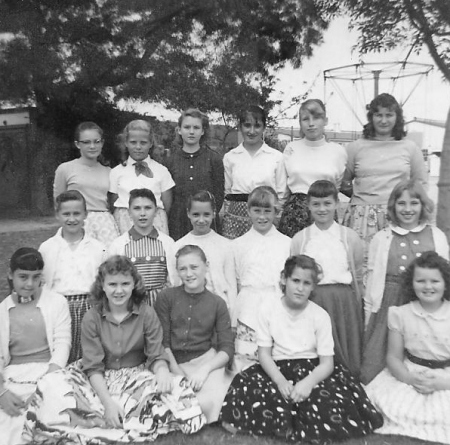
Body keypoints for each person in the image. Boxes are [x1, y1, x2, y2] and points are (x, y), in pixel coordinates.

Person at [28, 256, 206, 443]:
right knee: (50, 384)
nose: (119, 290)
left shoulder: (146, 312)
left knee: (175, 386)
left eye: (125, 284)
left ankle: (103, 418)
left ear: (134, 285)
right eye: (112, 284)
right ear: (102, 286)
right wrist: (108, 403)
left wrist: (162, 371)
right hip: (99, 376)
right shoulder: (92, 317)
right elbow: (93, 366)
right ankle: (109, 415)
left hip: (135, 375)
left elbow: (156, 353)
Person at [220, 255, 383, 442]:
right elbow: (264, 354)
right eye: (295, 281)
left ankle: (299, 420)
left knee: (325, 400)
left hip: (312, 369)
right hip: (277, 367)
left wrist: (308, 383)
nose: (300, 288)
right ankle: (276, 421)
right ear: (284, 279)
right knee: (254, 388)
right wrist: (280, 381)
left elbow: (327, 363)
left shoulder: (319, 315)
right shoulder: (268, 309)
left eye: (307, 283)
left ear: (313, 286)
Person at [361, 179, 449, 384]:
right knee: (378, 360)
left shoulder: (436, 235)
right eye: (401, 203)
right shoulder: (382, 238)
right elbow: (373, 279)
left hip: (425, 304)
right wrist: (369, 314)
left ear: (423, 206)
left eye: (414, 203)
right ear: (393, 206)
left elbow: (443, 277)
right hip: (388, 303)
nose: (407, 209)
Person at [365, 252, 450, 444]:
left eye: (435, 281)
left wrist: (442, 383)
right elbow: (394, 357)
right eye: (421, 281)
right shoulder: (401, 314)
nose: (428, 287)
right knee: (392, 405)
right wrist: (409, 378)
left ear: (445, 283)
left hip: (446, 375)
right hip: (411, 370)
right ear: (411, 283)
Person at [290, 180, 363, 375]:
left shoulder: (349, 237)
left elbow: (358, 274)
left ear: (337, 203)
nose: (322, 209)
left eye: (327, 203)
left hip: (343, 304)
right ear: (308, 206)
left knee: (345, 356)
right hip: (313, 301)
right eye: (316, 204)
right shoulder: (301, 239)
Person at [155, 245, 234, 423]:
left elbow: (227, 348)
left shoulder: (217, 303)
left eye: (194, 267)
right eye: (183, 269)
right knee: (169, 397)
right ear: (177, 271)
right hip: (171, 361)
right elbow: (162, 342)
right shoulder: (166, 297)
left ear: (206, 266)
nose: (189, 273)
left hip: (204, 362)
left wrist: (204, 371)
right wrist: (176, 373)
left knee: (209, 400)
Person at [0, 248, 71, 445]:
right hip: (13, 377)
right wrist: (2, 393)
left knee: (54, 418)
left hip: (50, 374)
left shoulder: (57, 302)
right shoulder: (2, 311)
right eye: (23, 277)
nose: (30, 284)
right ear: (10, 275)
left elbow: (62, 345)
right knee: (9, 421)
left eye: (36, 277)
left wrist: (44, 388)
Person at [341, 93, 428, 253]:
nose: (383, 120)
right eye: (378, 115)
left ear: (397, 118)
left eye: (389, 115)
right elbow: (343, 181)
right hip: (362, 218)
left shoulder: (410, 148)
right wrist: (365, 199)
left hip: (399, 215)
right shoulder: (355, 147)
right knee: (362, 267)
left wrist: (403, 204)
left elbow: (420, 184)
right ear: (371, 117)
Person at [39, 190, 105, 363]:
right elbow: (43, 284)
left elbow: (103, 282)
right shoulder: (47, 248)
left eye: (77, 213)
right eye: (66, 214)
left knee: (89, 356)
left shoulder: (98, 248)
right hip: (59, 307)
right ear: (57, 215)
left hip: (89, 307)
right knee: (61, 354)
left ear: (85, 215)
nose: (72, 219)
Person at [232, 186, 290, 371]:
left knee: (276, 359)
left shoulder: (287, 243)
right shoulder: (237, 245)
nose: (262, 217)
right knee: (246, 359)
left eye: (267, 211)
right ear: (248, 211)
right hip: (248, 307)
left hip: (277, 305)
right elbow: (236, 281)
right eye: (257, 211)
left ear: (276, 212)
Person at [279, 99, 347, 238]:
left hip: (325, 212)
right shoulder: (291, 148)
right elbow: (283, 190)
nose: (311, 124)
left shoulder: (338, 151)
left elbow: (337, 185)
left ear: (325, 120)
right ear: (300, 123)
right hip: (294, 214)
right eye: (305, 119)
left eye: (316, 118)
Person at [223, 105, 286, 239]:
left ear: (264, 128)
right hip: (236, 218)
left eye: (257, 126)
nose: (251, 131)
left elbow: (281, 193)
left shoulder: (276, 157)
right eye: (247, 125)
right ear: (240, 127)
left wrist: (275, 218)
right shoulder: (230, 157)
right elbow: (227, 191)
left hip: (265, 216)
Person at [53, 122, 119, 247]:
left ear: (102, 143)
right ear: (77, 144)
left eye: (97, 141)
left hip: (105, 224)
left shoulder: (110, 172)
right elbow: (58, 202)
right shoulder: (65, 169)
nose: (92, 146)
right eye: (87, 142)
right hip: (77, 221)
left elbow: (112, 203)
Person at [108, 188, 176, 306]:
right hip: (132, 306)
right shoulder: (119, 245)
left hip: (161, 306)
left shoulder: (167, 243)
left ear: (156, 211)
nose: (143, 213)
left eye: (148, 208)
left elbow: (174, 280)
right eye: (137, 208)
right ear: (129, 212)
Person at [165, 108, 224, 240]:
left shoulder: (214, 159)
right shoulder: (170, 161)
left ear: (203, 131)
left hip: (206, 223)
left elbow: (219, 195)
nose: (191, 132)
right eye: (187, 127)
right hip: (178, 223)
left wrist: (205, 216)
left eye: (196, 127)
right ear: (179, 130)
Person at [173, 190, 237, 313]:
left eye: (206, 215)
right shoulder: (178, 246)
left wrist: (232, 321)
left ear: (214, 213)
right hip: (189, 311)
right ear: (188, 214)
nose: (201, 220)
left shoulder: (226, 245)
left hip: (220, 311)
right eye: (196, 214)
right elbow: (175, 283)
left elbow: (231, 286)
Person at [109, 119, 175, 235]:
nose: (138, 147)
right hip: (125, 221)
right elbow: (113, 200)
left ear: (150, 144)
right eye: (133, 142)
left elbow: (167, 204)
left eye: (143, 143)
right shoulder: (116, 172)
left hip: (154, 221)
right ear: (126, 143)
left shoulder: (161, 171)